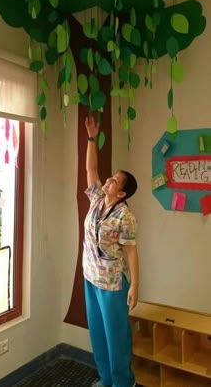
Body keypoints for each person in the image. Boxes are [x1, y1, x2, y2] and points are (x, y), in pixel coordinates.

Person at [83, 116, 139, 387]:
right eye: (112, 177)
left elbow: (131, 252)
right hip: (90, 279)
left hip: (113, 285)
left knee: (117, 340)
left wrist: (135, 286)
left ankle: (122, 383)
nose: (108, 180)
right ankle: (105, 380)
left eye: (115, 181)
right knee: (99, 336)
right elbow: (91, 169)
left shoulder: (125, 216)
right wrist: (92, 138)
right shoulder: (96, 198)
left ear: (121, 194)